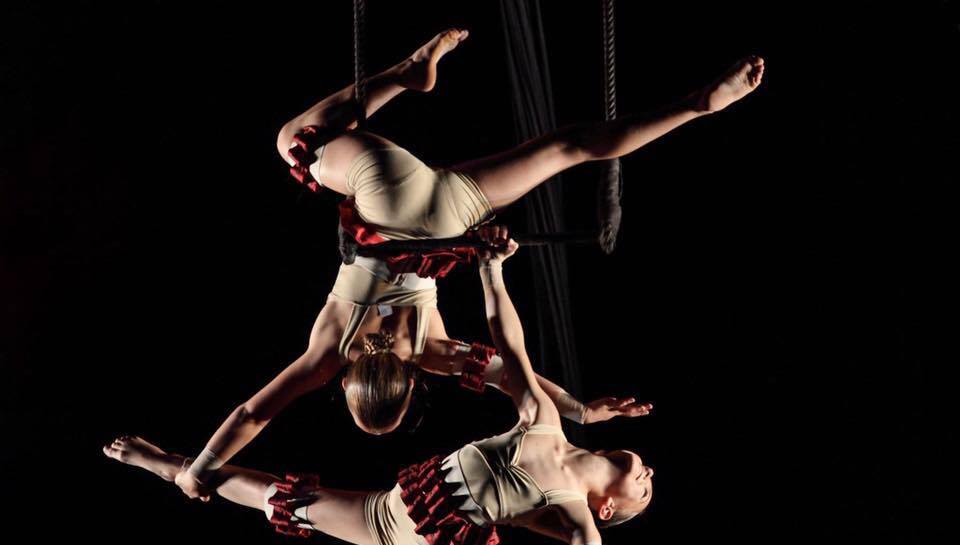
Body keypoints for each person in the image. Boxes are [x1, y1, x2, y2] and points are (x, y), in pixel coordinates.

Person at [104, 230, 717, 545]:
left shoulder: (578, 516)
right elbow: (512, 346)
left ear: (607, 507)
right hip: (395, 514)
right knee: (281, 499)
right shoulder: (545, 421)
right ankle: (174, 466)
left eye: (646, 488)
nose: (650, 471)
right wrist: (491, 269)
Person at [172, 29, 763, 498]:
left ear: (408, 389)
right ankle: (405, 74)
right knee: (293, 140)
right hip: (386, 197)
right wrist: (200, 465)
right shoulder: (328, 354)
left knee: (569, 146)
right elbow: (254, 412)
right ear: (351, 385)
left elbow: (516, 373)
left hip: (451, 217)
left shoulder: (433, 355)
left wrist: (582, 410)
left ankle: (699, 106)